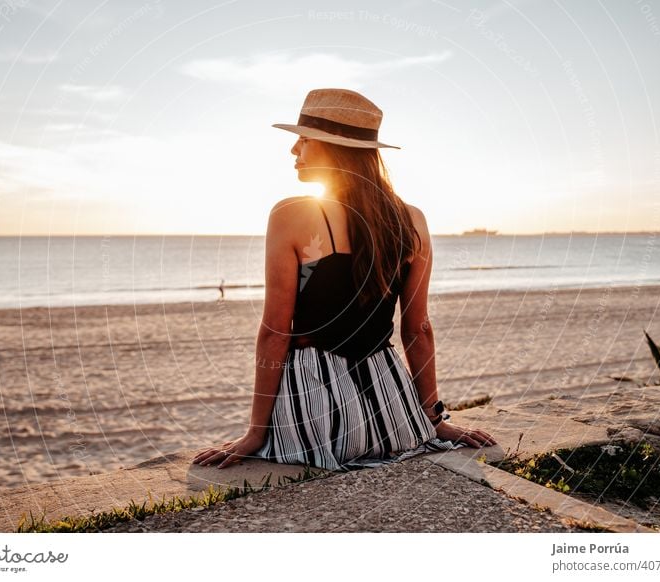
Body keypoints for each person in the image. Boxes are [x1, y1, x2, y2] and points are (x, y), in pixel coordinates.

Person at [193, 88, 496, 470]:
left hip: (318, 418)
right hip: (394, 416)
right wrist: (433, 419)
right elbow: (418, 329)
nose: (293, 151)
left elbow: (275, 332)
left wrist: (255, 433)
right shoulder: (412, 219)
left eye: (303, 140)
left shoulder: (290, 215)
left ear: (333, 148)